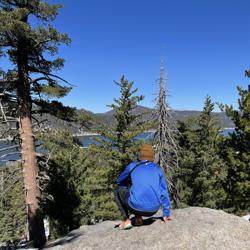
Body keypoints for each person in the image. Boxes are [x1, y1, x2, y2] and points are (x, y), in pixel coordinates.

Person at [114, 144, 171, 230]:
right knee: (138, 191)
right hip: (153, 209)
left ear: (140, 155)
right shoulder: (158, 169)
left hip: (135, 207)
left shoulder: (133, 166)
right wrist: (166, 213)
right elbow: (164, 191)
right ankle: (138, 219)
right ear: (152, 156)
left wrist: (127, 184)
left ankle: (126, 220)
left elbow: (119, 181)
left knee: (118, 190)